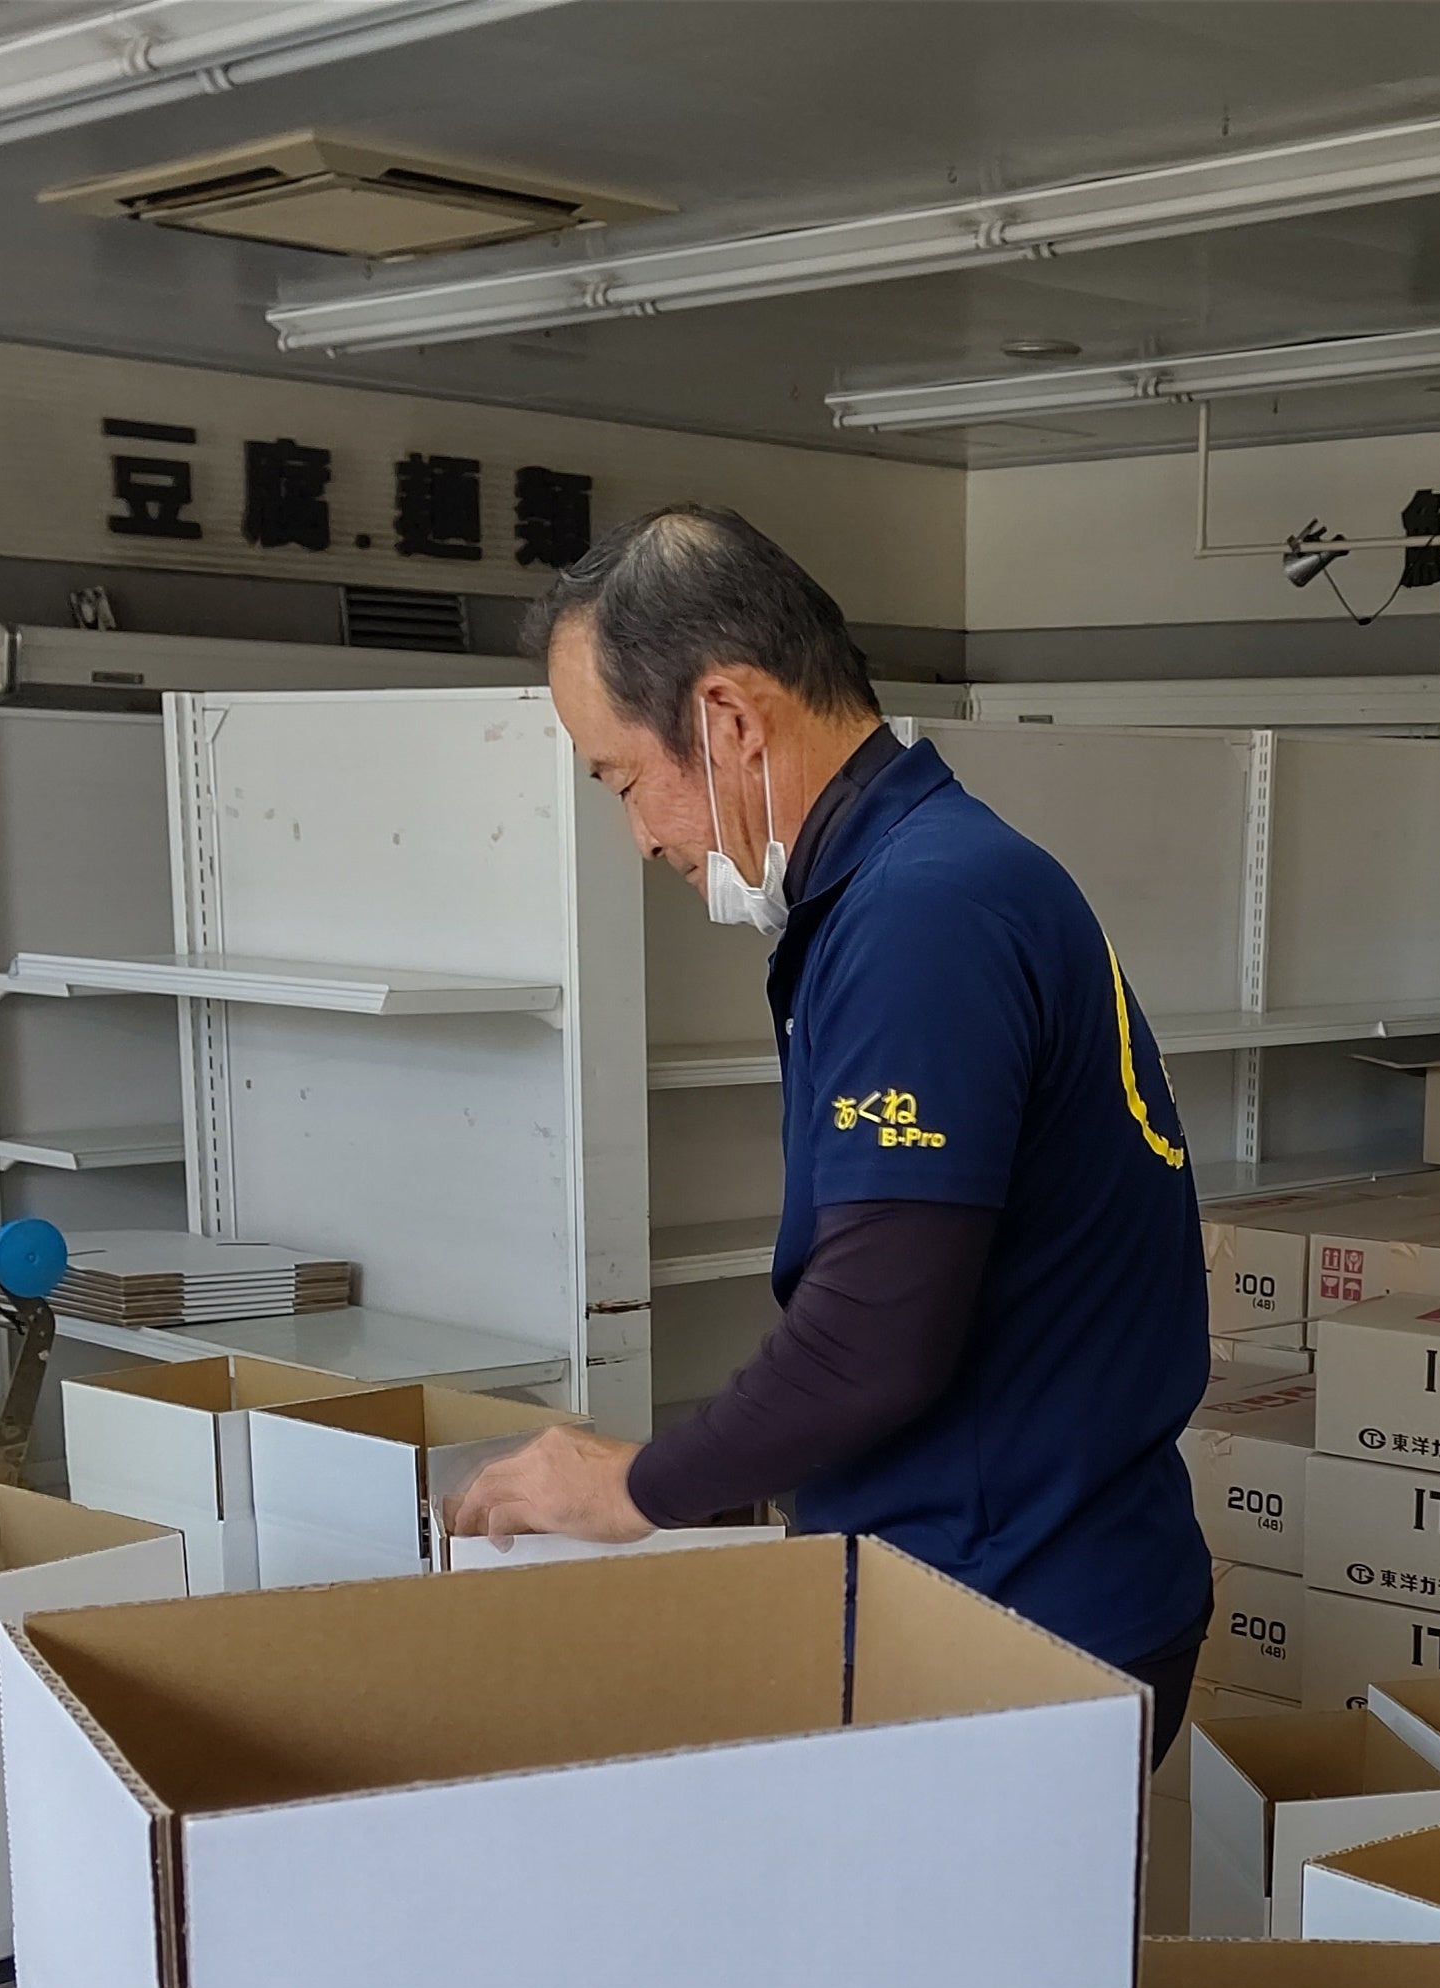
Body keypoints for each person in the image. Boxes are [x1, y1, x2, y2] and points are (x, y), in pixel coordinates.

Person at [445, 504, 1217, 1762]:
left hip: (1009, 1620)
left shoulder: (922, 915)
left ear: (729, 721)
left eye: (624, 780)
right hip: (1036, 1583)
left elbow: (874, 1337)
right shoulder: (921, 882)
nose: (639, 836)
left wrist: (633, 1486)